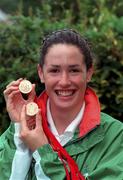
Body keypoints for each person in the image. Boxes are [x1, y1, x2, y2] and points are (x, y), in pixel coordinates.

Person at [0, 29, 123, 180]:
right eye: (54, 70)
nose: (64, 81)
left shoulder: (116, 136)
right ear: (41, 73)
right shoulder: (15, 135)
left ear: (89, 73)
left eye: (74, 70)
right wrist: (19, 129)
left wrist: (42, 150)